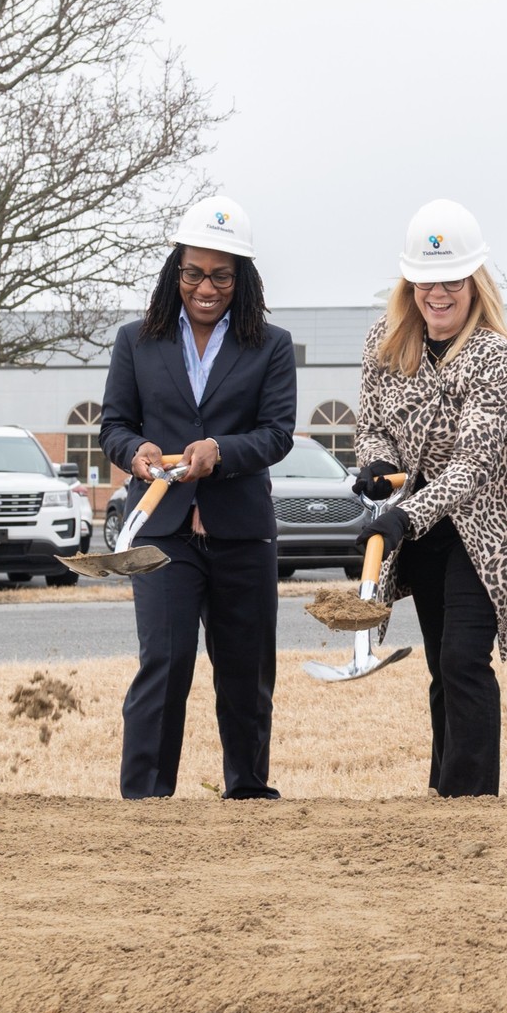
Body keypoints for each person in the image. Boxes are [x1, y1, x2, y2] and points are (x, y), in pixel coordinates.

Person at [353, 200, 507, 797]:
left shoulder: (495, 356)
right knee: (439, 664)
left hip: (486, 527)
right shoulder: (385, 342)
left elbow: (472, 467)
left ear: (474, 283)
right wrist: (378, 466)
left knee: (464, 660)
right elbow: (371, 425)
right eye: (426, 280)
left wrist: (402, 516)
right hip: (421, 525)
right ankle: (442, 795)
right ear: (410, 284)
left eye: (451, 280)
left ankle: (471, 802)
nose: (438, 292)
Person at [100, 196, 296, 800]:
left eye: (220, 275)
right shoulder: (137, 341)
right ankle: (146, 799)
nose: (205, 287)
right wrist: (135, 453)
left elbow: (277, 434)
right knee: (165, 661)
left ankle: (247, 792)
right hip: (162, 531)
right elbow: (113, 425)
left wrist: (220, 449)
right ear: (174, 272)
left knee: (245, 672)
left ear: (242, 279)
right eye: (193, 272)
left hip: (241, 532)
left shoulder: (271, 344)